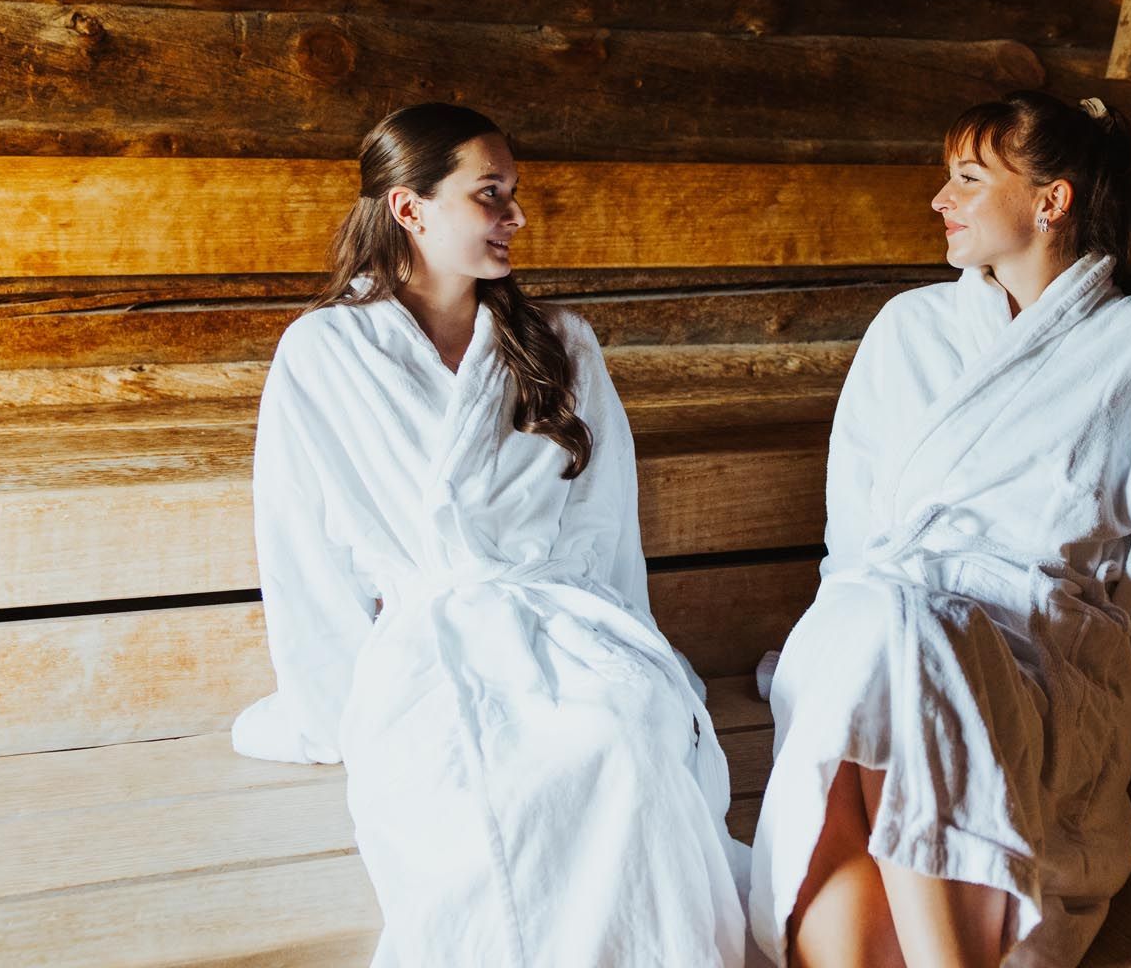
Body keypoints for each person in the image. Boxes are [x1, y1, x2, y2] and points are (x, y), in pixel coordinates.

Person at [749, 91, 1131, 968]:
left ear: (1052, 201)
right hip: (871, 630)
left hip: (1032, 656)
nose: (940, 198)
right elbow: (854, 533)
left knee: (896, 646)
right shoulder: (909, 330)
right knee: (879, 627)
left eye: (967, 178)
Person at [232, 104, 748, 968]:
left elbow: (604, 524)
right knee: (472, 781)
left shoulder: (559, 345)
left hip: (564, 624)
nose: (515, 217)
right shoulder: (324, 352)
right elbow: (300, 555)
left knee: (623, 738)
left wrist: (632, 646)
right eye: (490, 196)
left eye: (513, 195)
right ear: (410, 208)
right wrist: (338, 711)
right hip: (424, 645)